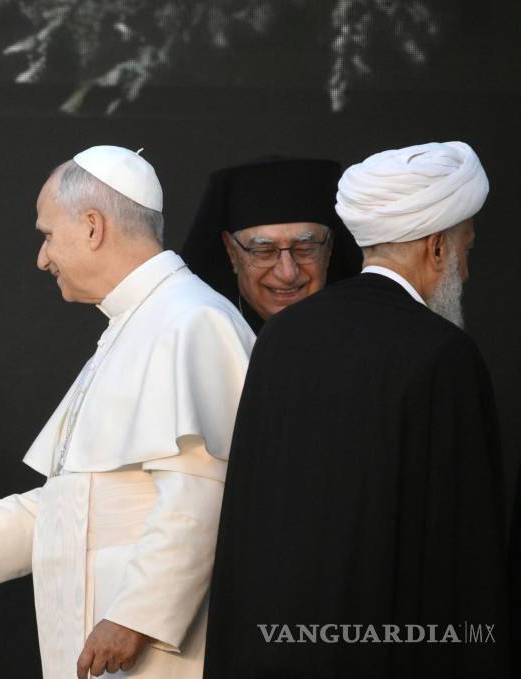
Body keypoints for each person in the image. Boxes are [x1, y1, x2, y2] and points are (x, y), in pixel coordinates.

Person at [0, 146, 254, 679]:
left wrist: (136, 618)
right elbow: (77, 507)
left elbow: (202, 495)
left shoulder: (190, 320)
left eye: (47, 235)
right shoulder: (134, 324)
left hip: (153, 653)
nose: (41, 259)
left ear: (92, 227)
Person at [205, 141, 510, 677]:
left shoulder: (282, 338)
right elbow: (464, 552)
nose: (464, 270)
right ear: (438, 247)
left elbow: (246, 530)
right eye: (466, 248)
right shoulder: (442, 352)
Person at [181, 157, 361, 333]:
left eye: (305, 249)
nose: (288, 273)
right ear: (232, 252)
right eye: (264, 251)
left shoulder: (363, 329)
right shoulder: (207, 337)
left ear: (329, 248)